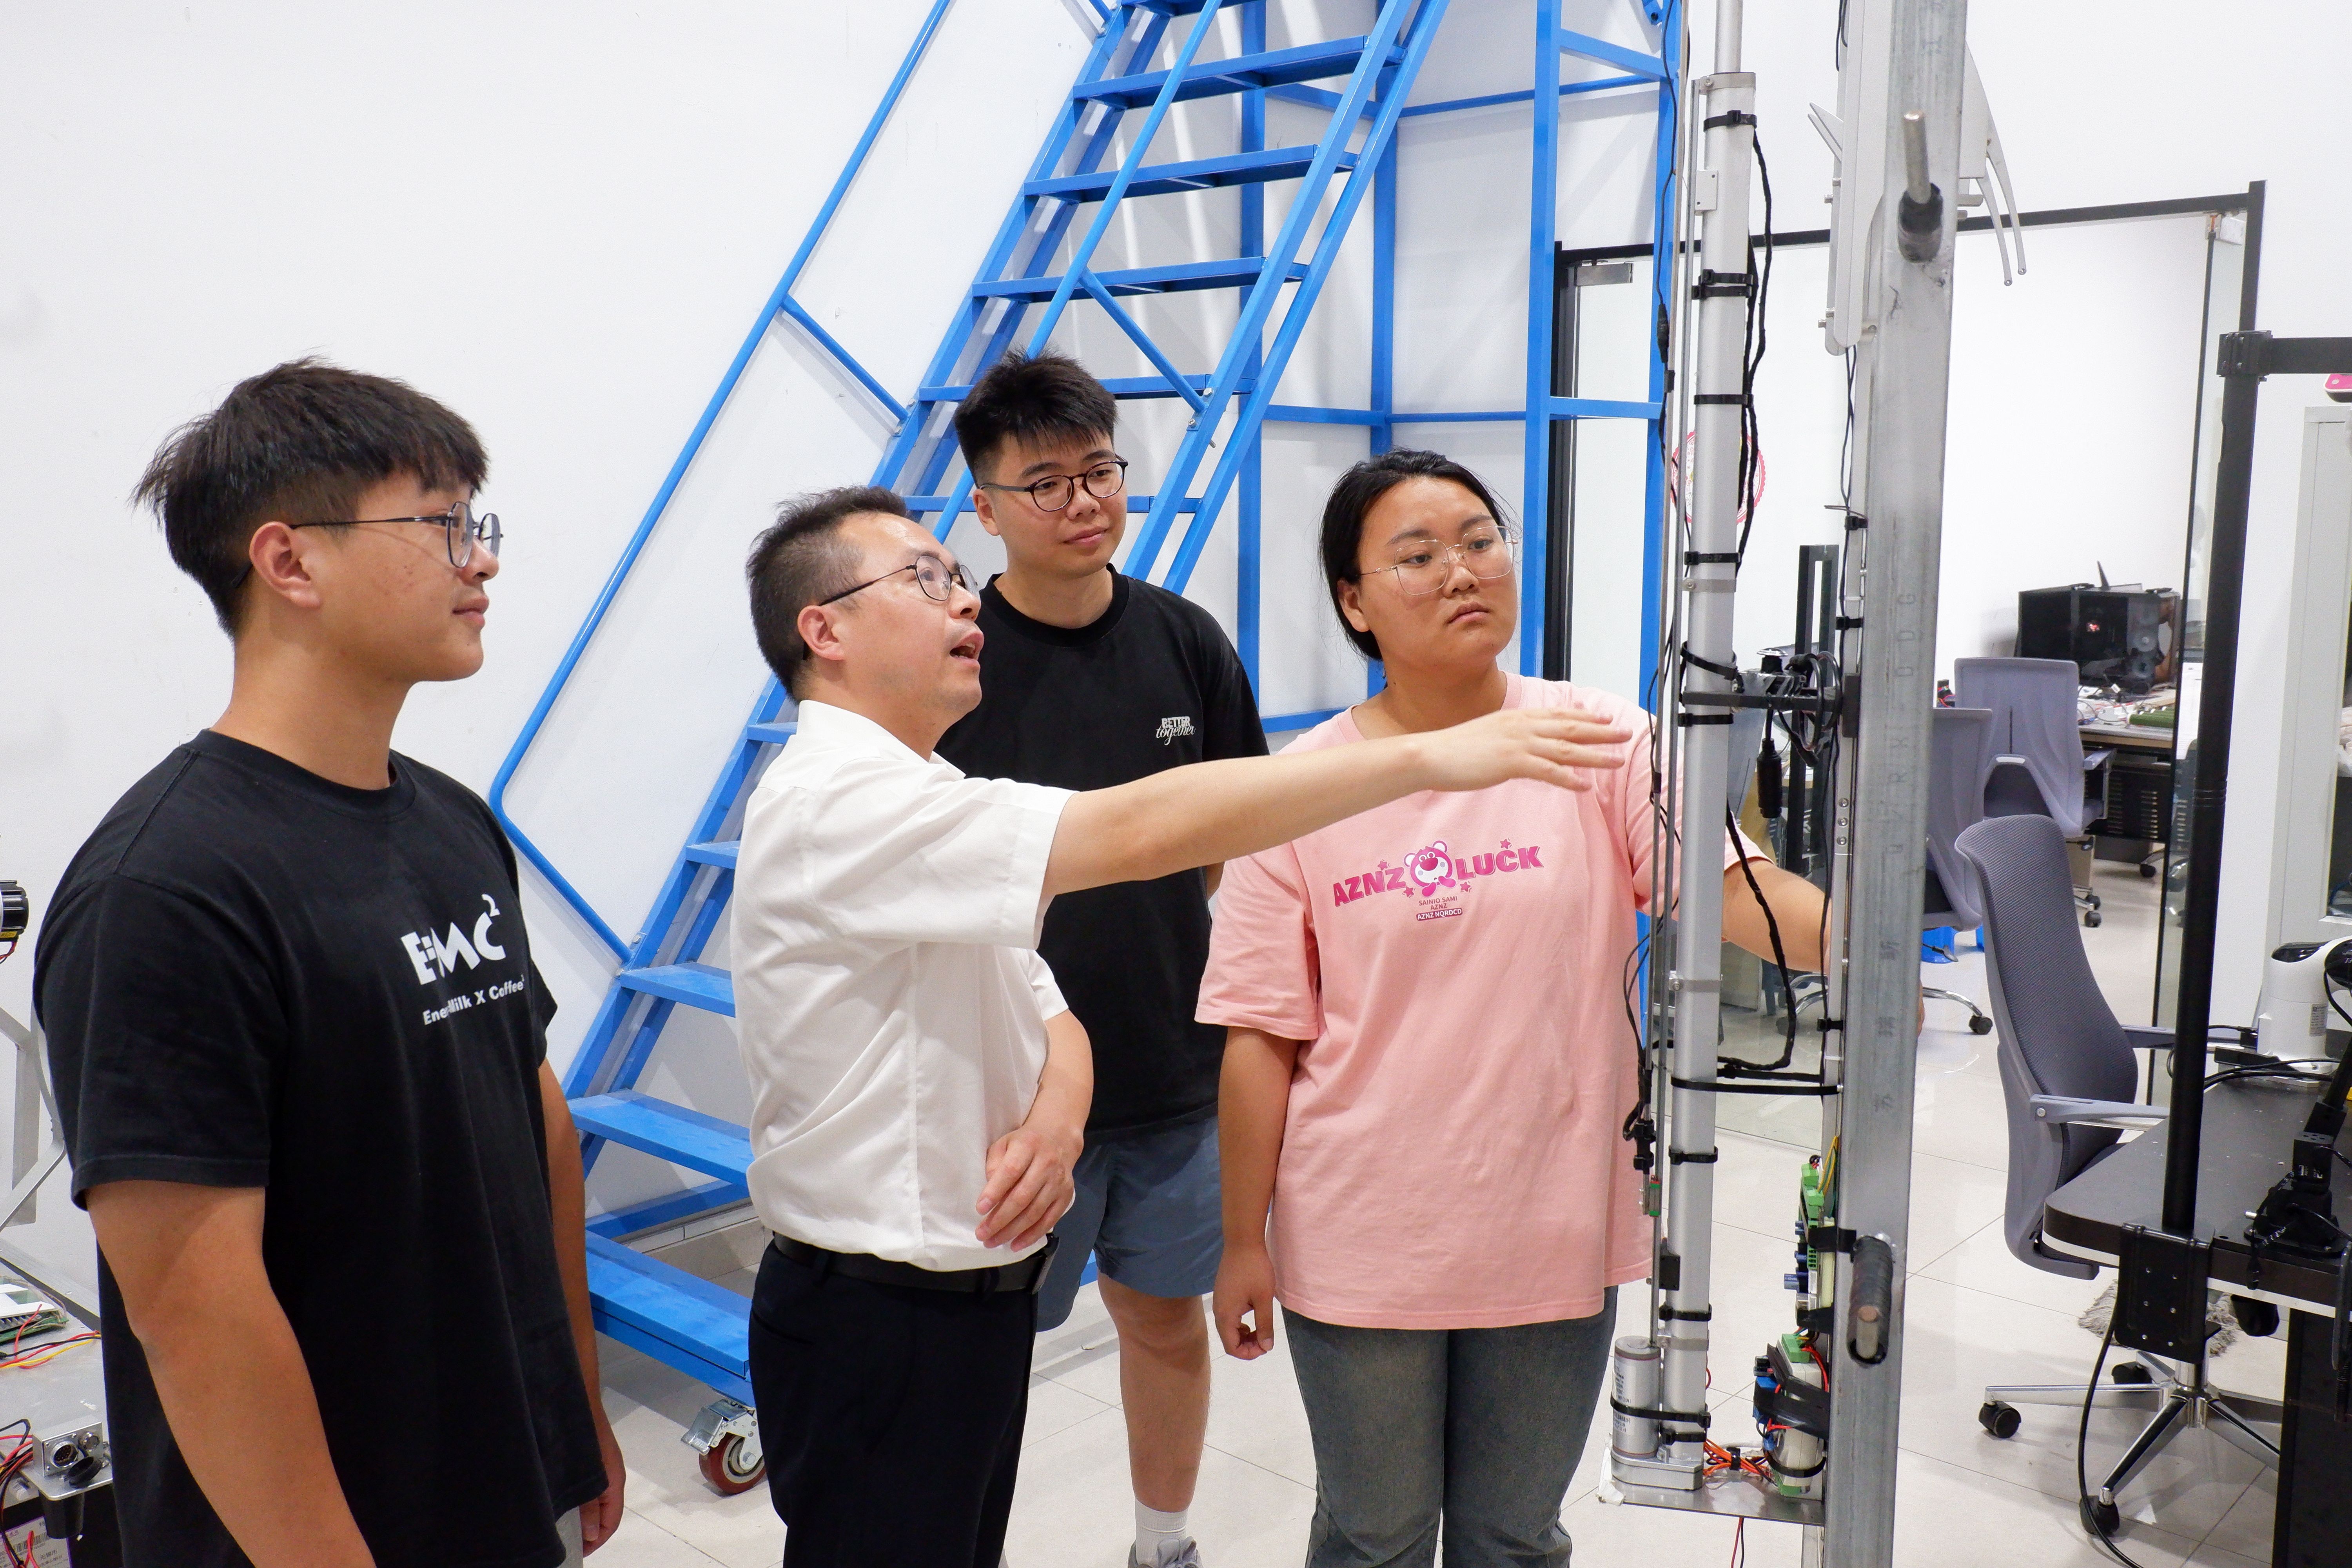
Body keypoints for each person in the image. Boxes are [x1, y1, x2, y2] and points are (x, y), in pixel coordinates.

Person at [731, 485, 1633, 1568]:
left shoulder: (925, 785)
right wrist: (1431, 757)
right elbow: (1137, 830)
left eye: (956, 576)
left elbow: (1046, 1008)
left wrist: (1057, 1122)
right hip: (877, 1312)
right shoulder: (838, 802)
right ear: (823, 630)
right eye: (926, 579)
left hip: (966, 1303)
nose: (964, 601)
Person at [33, 361, 621, 1567]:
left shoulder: (454, 820)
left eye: (478, 523)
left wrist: (576, 1410)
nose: (482, 561)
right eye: (441, 524)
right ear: (291, 562)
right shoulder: (164, 892)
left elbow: (534, 1121)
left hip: (506, 1478)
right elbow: (194, 1311)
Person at [1201, 449, 1828, 1568]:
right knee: (1375, 1531)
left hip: (1552, 1210)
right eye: (1416, 555)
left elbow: (1734, 895)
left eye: (1480, 541)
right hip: (1362, 1229)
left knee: (1515, 1533)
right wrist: (1241, 1240)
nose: (1461, 571)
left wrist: (1875, 944)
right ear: (1354, 601)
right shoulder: (1301, 786)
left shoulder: (1598, 740)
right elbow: (1259, 1036)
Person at [933, 352, 1264, 1568]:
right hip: (1010, 1096)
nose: (1082, 501)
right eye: (1045, 484)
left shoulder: (1184, 639)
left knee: (1164, 1322)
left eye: (1100, 471)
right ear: (985, 507)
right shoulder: (952, 660)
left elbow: (1225, 837)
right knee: (979, 1359)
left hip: (1175, 1074)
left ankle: (1162, 1546)